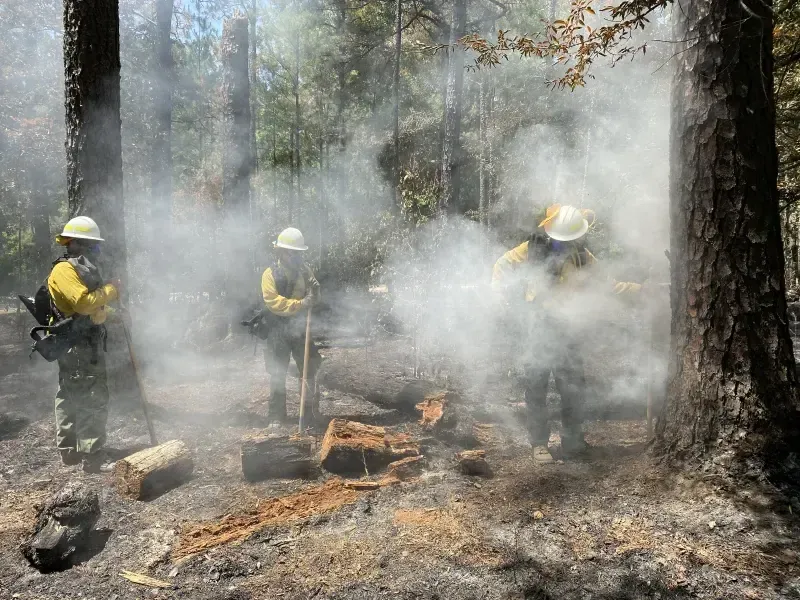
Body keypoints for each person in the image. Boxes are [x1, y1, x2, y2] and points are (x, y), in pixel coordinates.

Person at [492, 204, 641, 463]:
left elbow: (607, 284)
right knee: (536, 387)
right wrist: (499, 296)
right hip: (537, 327)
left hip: (568, 329)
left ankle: (573, 442)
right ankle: (539, 445)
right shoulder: (532, 248)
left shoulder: (582, 256)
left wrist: (639, 290)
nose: (564, 243)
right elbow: (502, 265)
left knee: (573, 388)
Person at [48, 216, 120, 472]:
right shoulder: (64, 270)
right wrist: (112, 290)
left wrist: (114, 314)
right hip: (77, 346)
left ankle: (71, 452)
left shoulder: (79, 271)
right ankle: (92, 456)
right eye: (92, 245)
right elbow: (83, 304)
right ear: (74, 243)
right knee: (91, 396)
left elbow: (94, 309)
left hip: (81, 344)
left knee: (70, 394)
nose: (95, 251)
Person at [261, 227, 322, 426]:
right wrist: (301, 303)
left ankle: (309, 413)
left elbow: (313, 298)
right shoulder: (269, 274)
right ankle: (276, 416)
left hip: (301, 327)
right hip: (278, 329)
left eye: (298, 253)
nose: (296, 257)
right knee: (278, 372)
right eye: (292, 253)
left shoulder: (305, 271)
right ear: (280, 252)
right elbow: (273, 302)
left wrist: (315, 294)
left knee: (309, 369)